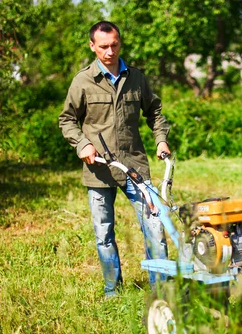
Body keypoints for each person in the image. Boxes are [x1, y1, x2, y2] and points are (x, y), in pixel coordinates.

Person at [59, 21, 170, 297]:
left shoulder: (136, 78)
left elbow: (154, 112)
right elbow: (67, 120)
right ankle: (112, 291)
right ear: (92, 46)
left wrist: (161, 139)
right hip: (99, 169)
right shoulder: (82, 81)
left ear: (119, 43)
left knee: (155, 226)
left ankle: (162, 291)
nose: (110, 51)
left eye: (114, 45)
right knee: (104, 234)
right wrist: (82, 144)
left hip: (134, 165)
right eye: (104, 46)